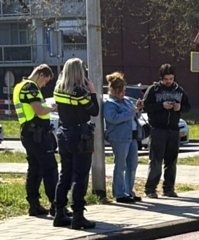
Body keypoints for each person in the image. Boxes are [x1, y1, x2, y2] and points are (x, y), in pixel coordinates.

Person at [52, 58, 100, 229]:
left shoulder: (58, 88)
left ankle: (59, 213)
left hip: (64, 133)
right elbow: (94, 110)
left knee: (65, 174)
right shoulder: (79, 91)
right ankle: (78, 216)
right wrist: (92, 91)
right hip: (80, 135)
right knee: (80, 176)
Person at [13, 64, 58, 218]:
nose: (44, 84)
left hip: (29, 133)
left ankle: (34, 205)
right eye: (46, 80)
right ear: (40, 74)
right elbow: (39, 110)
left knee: (35, 169)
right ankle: (56, 205)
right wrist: (52, 108)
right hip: (37, 134)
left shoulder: (19, 86)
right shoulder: (30, 88)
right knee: (49, 168)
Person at [142, 64, 191, 198]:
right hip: (157, 129)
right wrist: (161, 106)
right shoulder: (154, 90)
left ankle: (169, 189)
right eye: (166, 79)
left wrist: (179, 107)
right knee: (156, 160)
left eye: (171, 79)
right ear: (161, 78)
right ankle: (150, 189)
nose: (169, 81)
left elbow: (188, 106)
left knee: (171, 161)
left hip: (174, 130)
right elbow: (146, 106)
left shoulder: (179, 90)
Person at [104, 72, 141, 204]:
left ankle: (129, 190)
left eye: (125, 90)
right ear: (113, 90)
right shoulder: (110, 103)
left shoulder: (126, 101)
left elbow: (134, 115)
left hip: (131, 136)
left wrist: (138, 109)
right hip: (119, 137)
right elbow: (113, 118)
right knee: (121, 165)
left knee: (132, 164)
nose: (123, 93)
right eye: (121, 91)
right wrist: (131, 112)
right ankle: (119, 193)